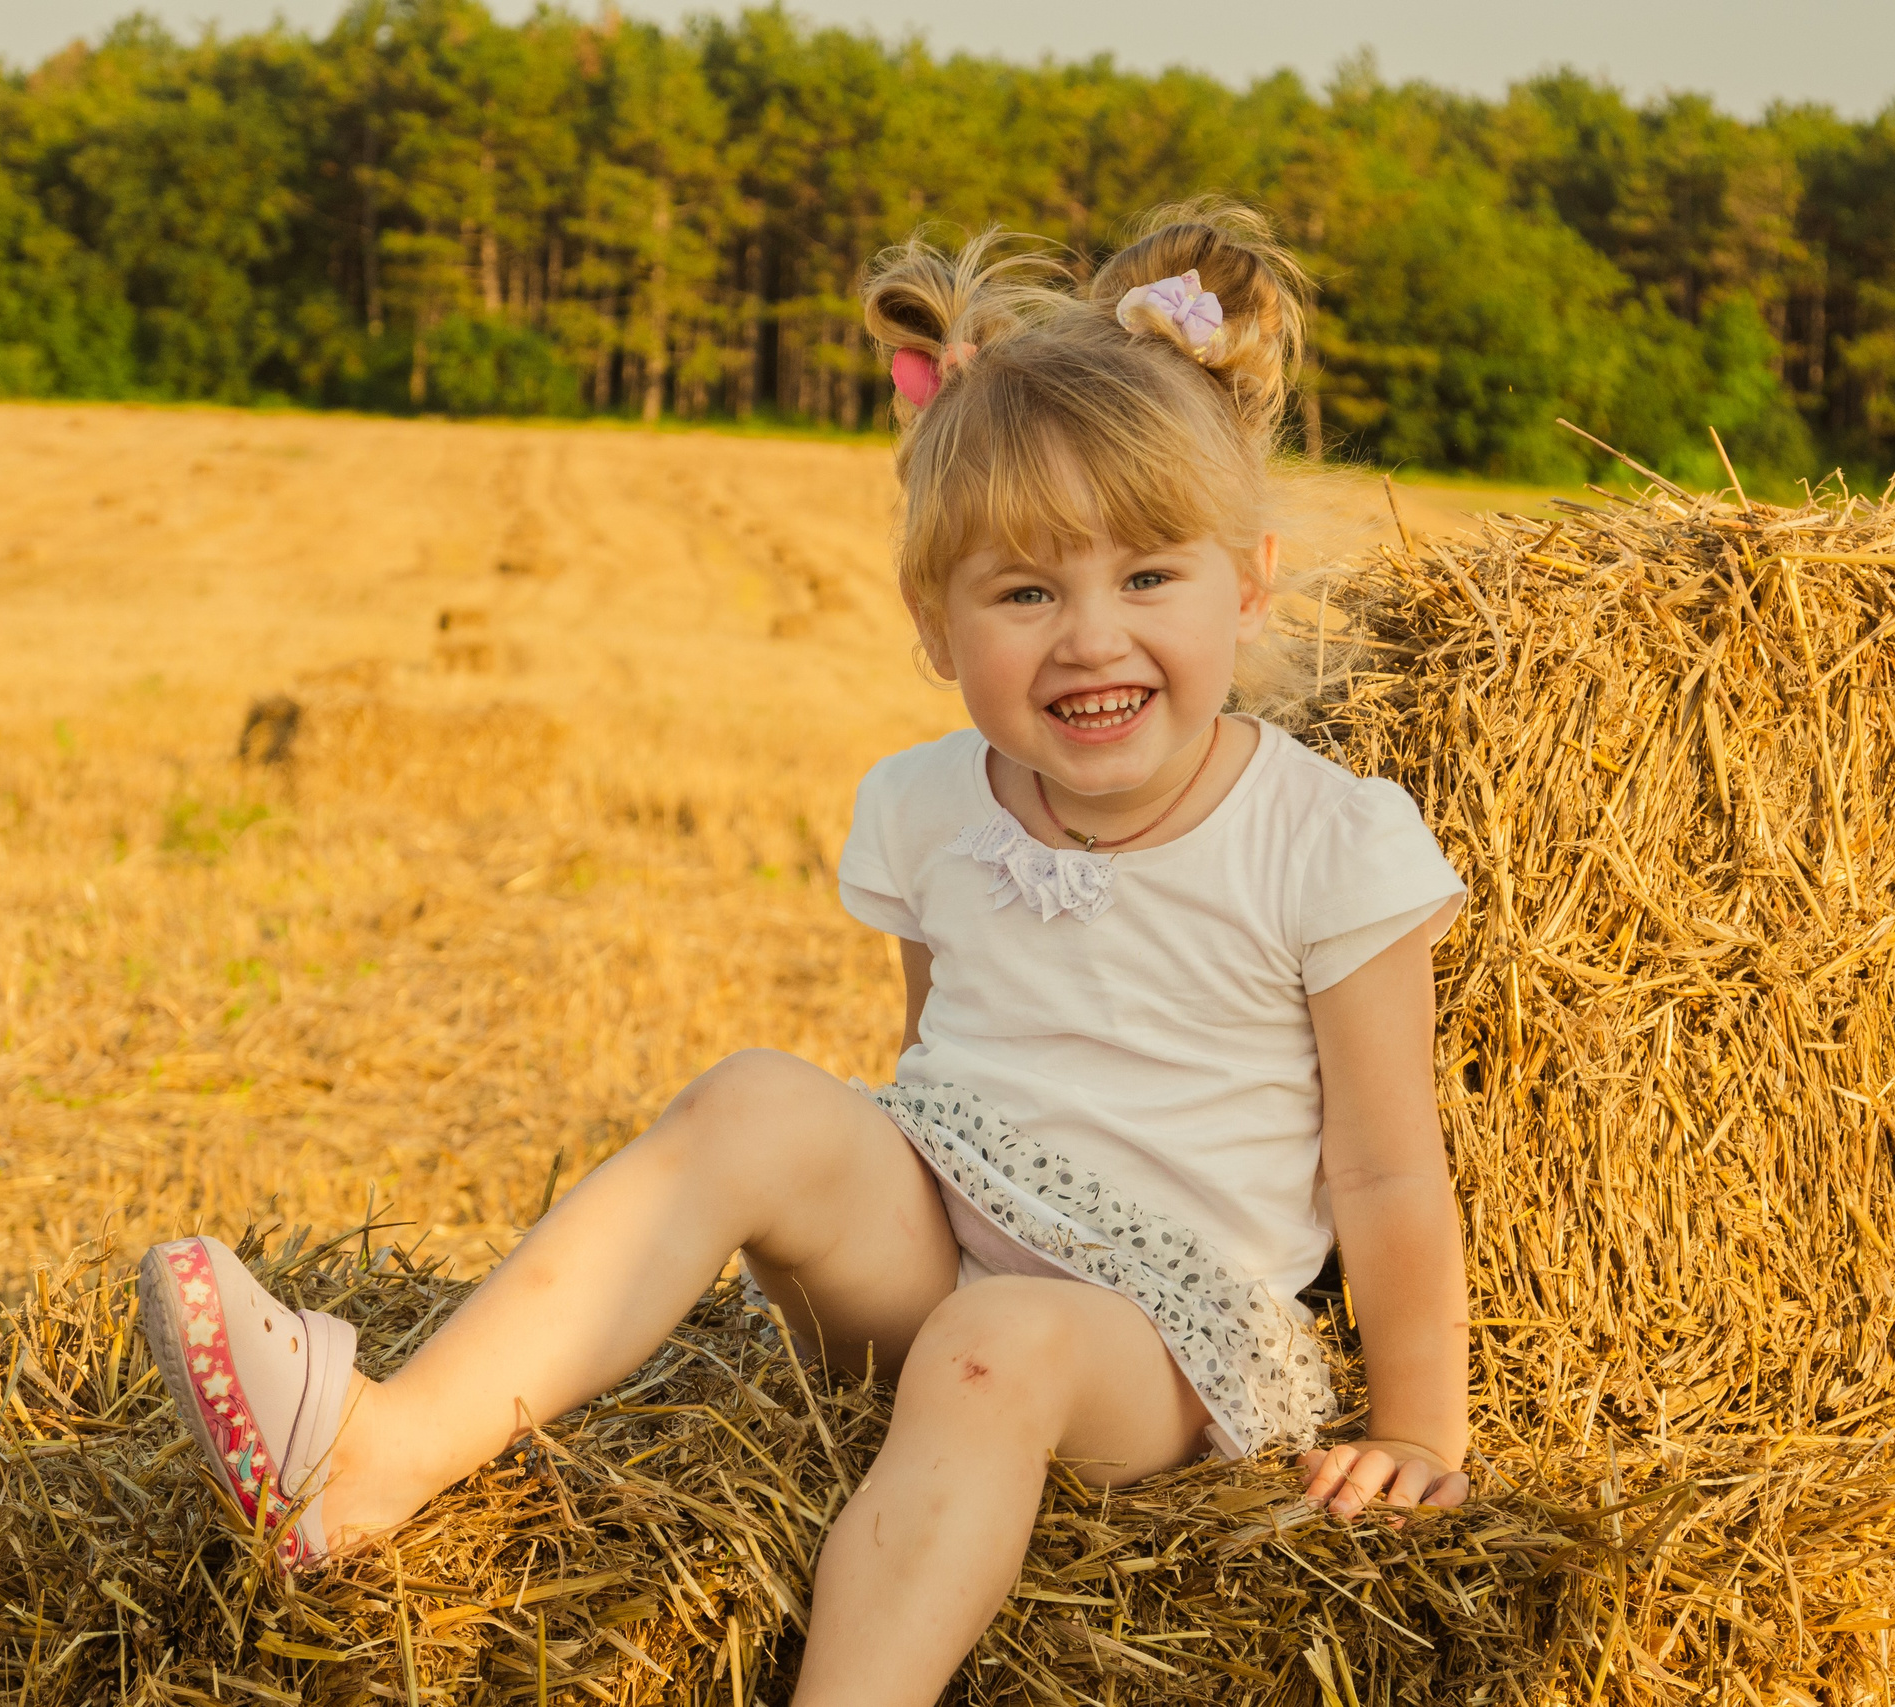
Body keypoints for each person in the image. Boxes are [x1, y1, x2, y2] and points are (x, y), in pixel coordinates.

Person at [138, 200, 1473, 1706]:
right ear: (933, 622)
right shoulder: (919, 807)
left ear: (1252, 580)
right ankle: (376, 1458)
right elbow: (930, 1075)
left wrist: (1420, 1433)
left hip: (1159, 1347)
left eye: (1150, 579)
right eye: (1026, 593)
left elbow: (1384, 1174)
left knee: (999, 1335)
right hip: (948, 1245)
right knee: (763, 1096)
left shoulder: (1327, 839)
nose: (1091, 637)